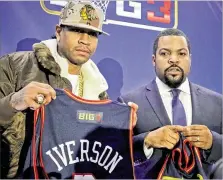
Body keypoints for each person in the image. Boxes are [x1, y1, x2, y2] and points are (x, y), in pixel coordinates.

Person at [0, 1, 135, 178]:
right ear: (58, 31)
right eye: (76, 30)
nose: (85, 40)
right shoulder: (15, 66)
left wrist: (122, 129)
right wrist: (13, 102)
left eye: (93, 34)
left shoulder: (99, 91)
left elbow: (98, 152)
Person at [120, 28, 222, 178]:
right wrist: (146, 141)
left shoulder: (218, 103)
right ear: (154, 60)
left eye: (181, 54)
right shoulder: (129, 102)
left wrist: (213, 142)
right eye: (165, 53)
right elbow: (114, 153)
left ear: (190, 59)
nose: (174, 60)